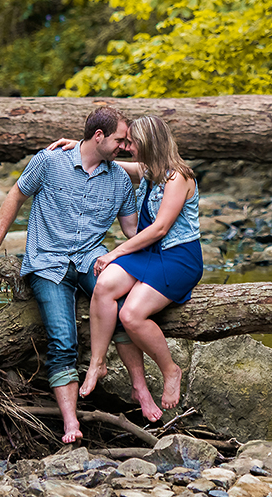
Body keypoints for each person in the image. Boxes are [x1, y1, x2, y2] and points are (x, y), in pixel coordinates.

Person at [0, 106, 149, 443]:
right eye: (121, 140)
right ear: (99, 136)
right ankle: (71, 423)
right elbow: (16, 194)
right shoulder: (50, 162)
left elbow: (131, 230)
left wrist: (167, 234)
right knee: (63, 341)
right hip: (47, 264)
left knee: (126, 311)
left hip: (92, 260)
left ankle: (140, 388)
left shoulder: (120, 179)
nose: (125, 145)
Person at [53, 114, 202, 414]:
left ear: (148, 144)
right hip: (150, 255)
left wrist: (115, 253)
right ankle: (98, 362)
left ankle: (170, 370)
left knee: (132, 314)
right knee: (105, 285)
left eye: (131, 143)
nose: (126, 148)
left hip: (178, 258)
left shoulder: (179, 177)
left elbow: (160, 229)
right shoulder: (149, 169)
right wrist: (82, 148)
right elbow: (120, 165)